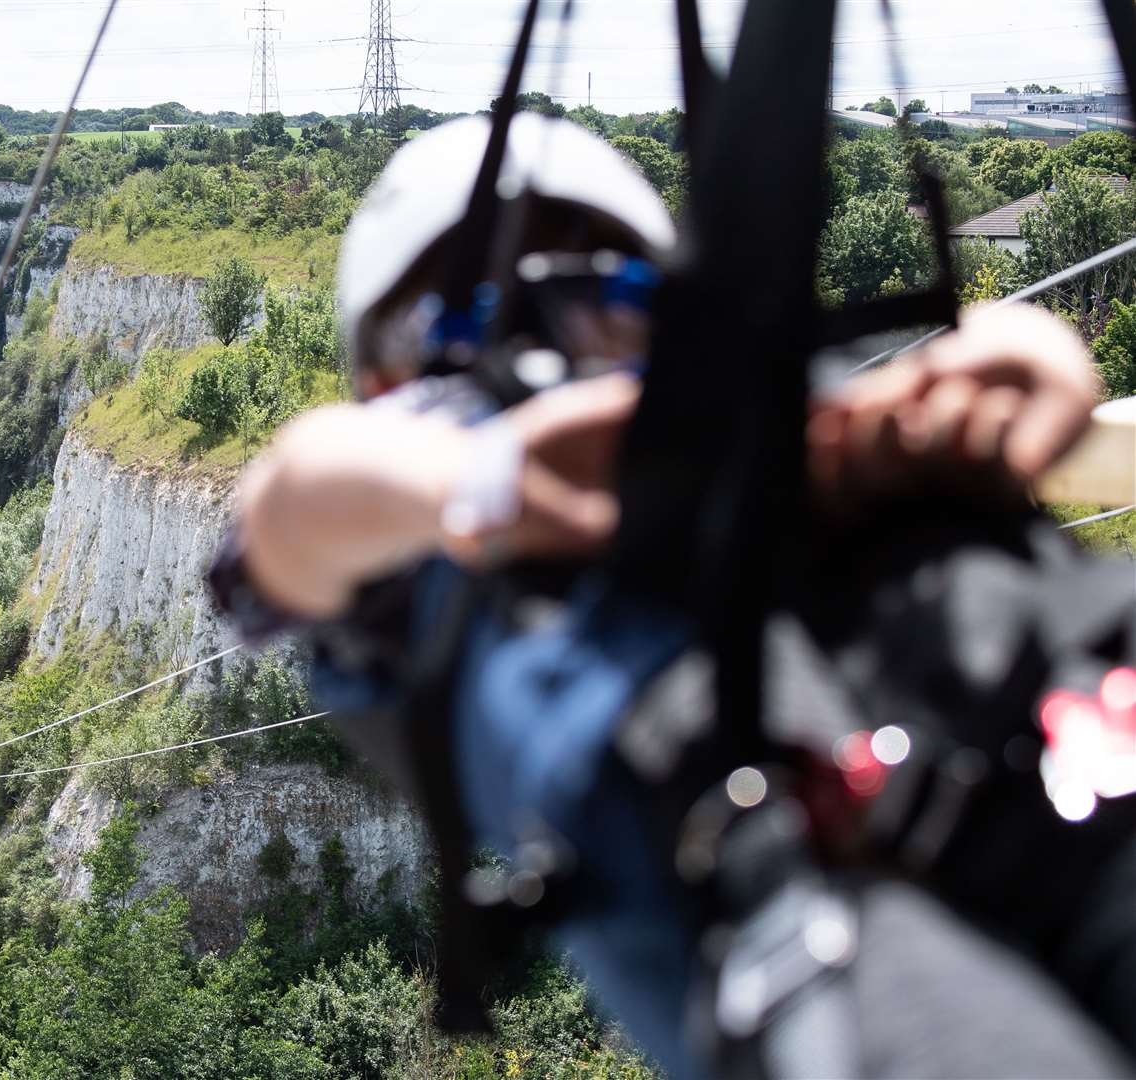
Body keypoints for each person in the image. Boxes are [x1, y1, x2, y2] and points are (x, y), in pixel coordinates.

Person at [211, 114, 1126, 1077]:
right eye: (468, 318)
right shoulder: (410, 533)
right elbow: (279, 518)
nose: (552, 344)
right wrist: (485, 479)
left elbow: (959, 366)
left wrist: (1012, 358)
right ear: (390, 380)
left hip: (1060, 727)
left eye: (606, 293)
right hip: (795, 918)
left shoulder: (734, 418)